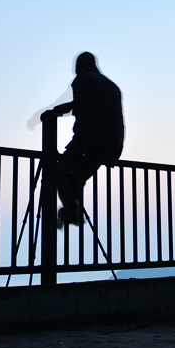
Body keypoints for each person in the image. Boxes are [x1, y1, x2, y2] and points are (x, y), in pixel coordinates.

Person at [46, 52, 124, 227]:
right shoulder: (112, 86)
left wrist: (54, 112)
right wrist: (116, 152)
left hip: (89, 139)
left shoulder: (82, 80)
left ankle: (71, 213)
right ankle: (71, 213)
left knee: (59, 171)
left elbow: (81, 103)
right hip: (112, 144)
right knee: (76, 178)